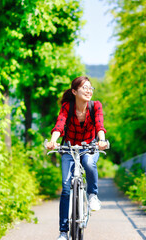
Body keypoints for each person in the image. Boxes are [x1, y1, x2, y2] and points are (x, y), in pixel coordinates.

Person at [46, 76, 108, 240]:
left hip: (90, 145)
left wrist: (101, 141)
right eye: (84, 88)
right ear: (74, 91)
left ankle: (92, 195)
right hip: (69, 147)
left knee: (88, 162)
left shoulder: (96, 106)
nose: (89, 91)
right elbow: (60, 124)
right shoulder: (68, 106)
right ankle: (63, 232)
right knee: (66, 188)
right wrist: (53, 142)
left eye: (90, 88)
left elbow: (100, 125)